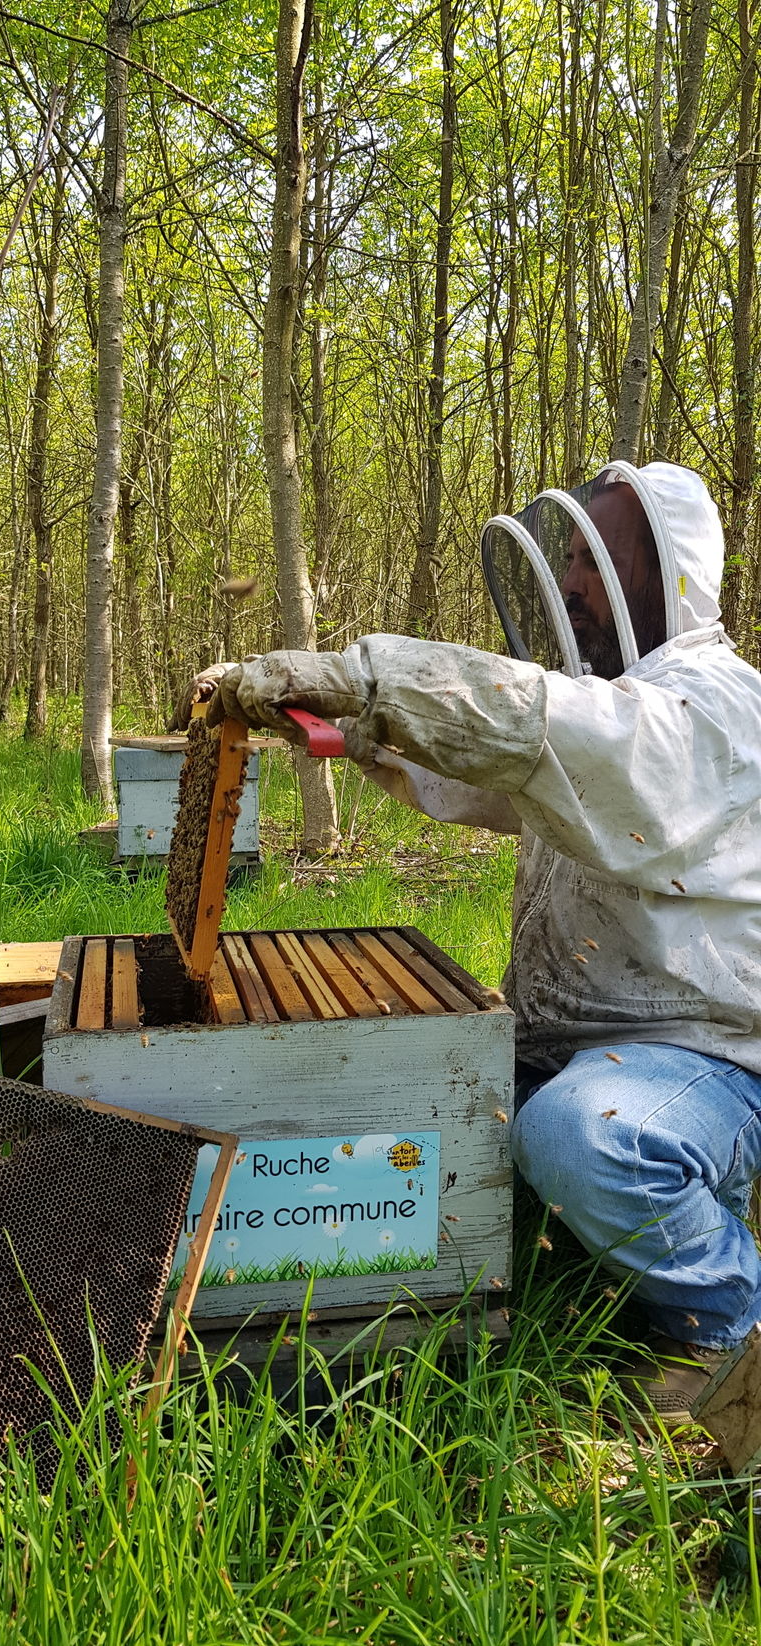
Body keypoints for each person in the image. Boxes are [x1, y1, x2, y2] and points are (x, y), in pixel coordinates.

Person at [189, 462, 761, 1423]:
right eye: (570, 559)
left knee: (583, 1136)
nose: (571, 581)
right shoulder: (615, 702)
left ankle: (727, 1322)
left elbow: (541, 723)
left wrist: (360, 678)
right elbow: (501, 774)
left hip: (703, 1065)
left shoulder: (710, 709)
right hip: (566, 1043)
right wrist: (348, 730)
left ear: (667, 574)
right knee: (409, 1098)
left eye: (596, 560)